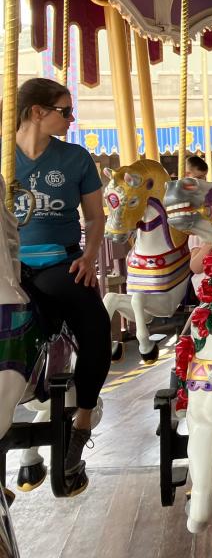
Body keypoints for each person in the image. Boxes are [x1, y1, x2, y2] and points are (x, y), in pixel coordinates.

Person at [14, 77, 110, 496]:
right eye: (65, 111)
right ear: (38, 112)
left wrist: (88, 257)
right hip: (11, 266)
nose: (71, 119)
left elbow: (94, 217)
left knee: (96, 328)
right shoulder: (4, 155)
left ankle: (81, 422)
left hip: (58, 261)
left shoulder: (75, 159)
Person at [184, 156, 212, 294]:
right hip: (207, 284)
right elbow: (195, 267)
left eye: (204, 178)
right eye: (200, 178)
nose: (204, 183)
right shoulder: (196, 218)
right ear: (187, 175)